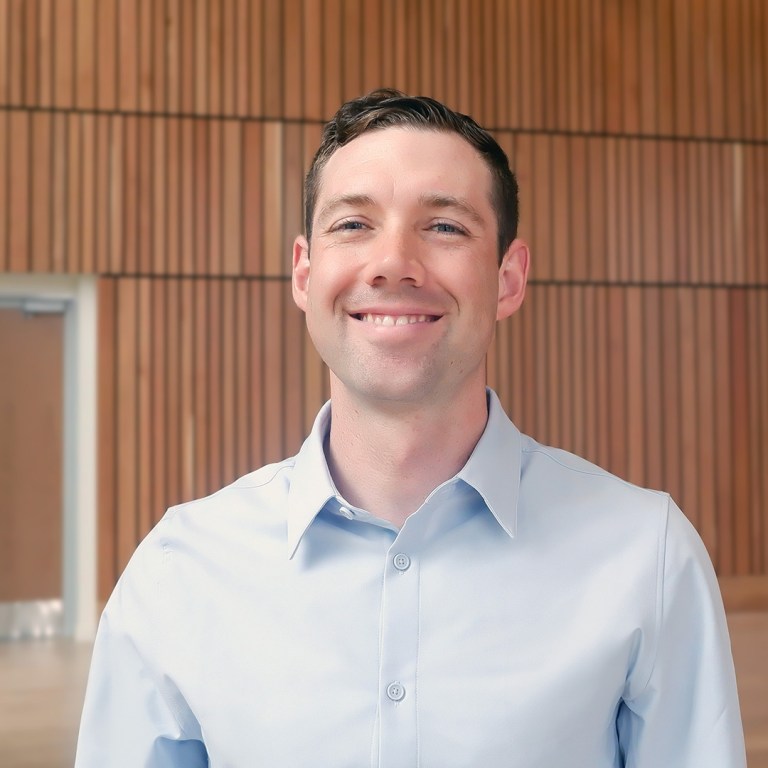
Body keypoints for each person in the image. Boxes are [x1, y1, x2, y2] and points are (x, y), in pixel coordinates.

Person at [75, 89, 746, 767]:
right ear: (305, 273)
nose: (393, 262)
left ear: (508, 280)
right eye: (353, 224)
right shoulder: (179, 571)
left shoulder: (646, 556)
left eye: (445, 227)